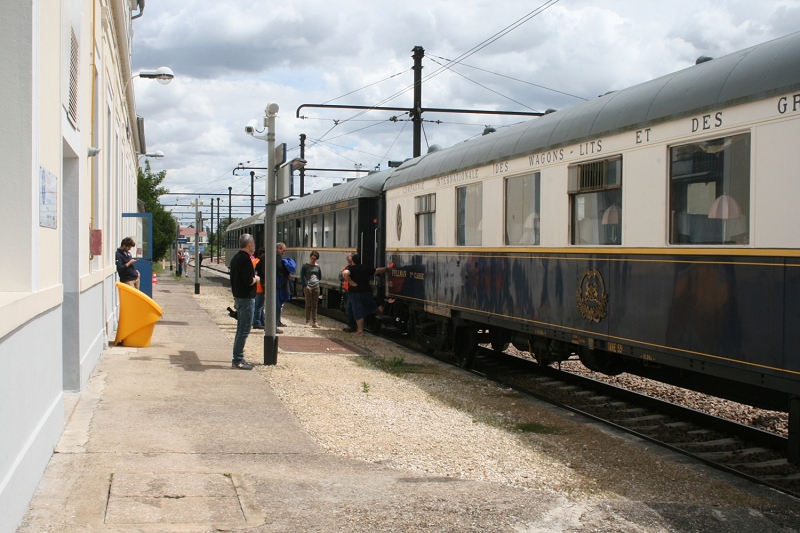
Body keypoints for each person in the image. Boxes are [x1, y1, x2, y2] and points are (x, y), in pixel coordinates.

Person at [229, 234, 260, 370]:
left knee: (240, 329)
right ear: (248, 244)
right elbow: (248, 280)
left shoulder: (236, 258)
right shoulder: (246, 259)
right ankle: (238, 359)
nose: (254, 245)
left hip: (238, 297)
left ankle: (238, 357)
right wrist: (257, 279)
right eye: (253, 243)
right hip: (247, 298)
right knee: (244, 330)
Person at [342, 253, 388, 336]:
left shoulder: (351, 269)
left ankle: (360, 331)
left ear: (353, 261)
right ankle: (380, 311)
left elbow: (345, 274)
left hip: (355, 292)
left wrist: (351, 282)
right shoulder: (366, 268)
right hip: (367, 291)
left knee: (358, 310)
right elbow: (377, 271)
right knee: (372, 306)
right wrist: (387, 268)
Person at [300, 251, 322, 328]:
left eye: (315, 259)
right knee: (308, 304)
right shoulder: (305, 266)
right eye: (312, 258)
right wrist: (306, 285)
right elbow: (302, 276)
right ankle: (307, 321)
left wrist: (317, 282)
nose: (313, 260)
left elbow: (319, 276)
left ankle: (315, 322)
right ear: (310, 257)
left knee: (315, 305)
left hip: (316, 285)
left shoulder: (317, 266)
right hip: (308, 286)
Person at [275, 242, 291, 333]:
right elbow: (279, 268)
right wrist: (286, 271)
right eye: (283, 251)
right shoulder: (277, 256)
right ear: (278, 249)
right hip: (277, 285)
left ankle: (275, 323)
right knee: (277, 305)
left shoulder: (273, 255)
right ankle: (274, 325)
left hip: (276, 284)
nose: (284, 253)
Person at [339, 253, 357, 332]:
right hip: (347, 290)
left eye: (348, 257)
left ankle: (352, 326)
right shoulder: (347, 267)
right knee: (348, 308)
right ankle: (351, 325)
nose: (346, 258)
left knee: (350, 308)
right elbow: (341, 277)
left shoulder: (352, 268)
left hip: (351, 291)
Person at [252, 248, 265, 329]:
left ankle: (261, 321)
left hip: (255, 286)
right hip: (259, 286)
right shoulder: (259, 262)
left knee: (259, 305)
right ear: (262, 254)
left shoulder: (254, 261)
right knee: (259, 306)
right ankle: (257, 322)